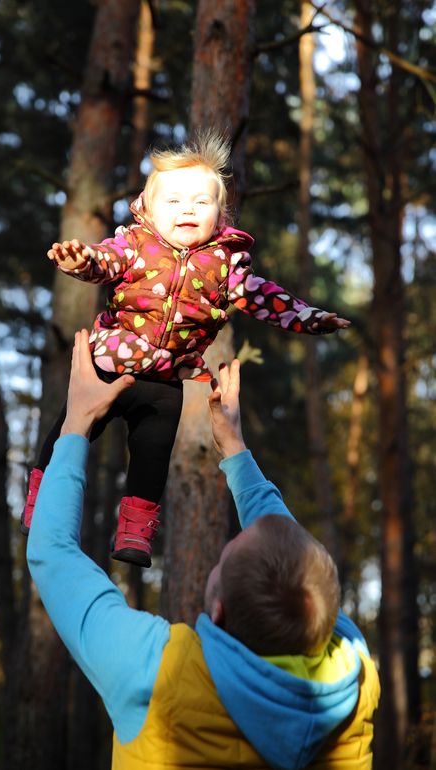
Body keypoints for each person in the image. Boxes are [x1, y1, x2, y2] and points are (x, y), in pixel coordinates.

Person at [27, 329, 380, 770]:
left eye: (224, 560)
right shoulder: (354, 671)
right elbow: (291, 556)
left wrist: (77, 421)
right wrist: (234, 447)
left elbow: (52, 553)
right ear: (328, 616)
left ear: (219, 612)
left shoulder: (156, 676)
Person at [22, 131, 350, 570]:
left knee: (152, 458)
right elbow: (105, 261)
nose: (188, 209)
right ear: (149, 208)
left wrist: (309, 318)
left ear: (220, 215)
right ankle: (40, 501)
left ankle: (135, 533)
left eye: (201, 202)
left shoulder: (225, 264)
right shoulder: (136, 244)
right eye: (174, 201)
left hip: (164, 381)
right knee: (69, 431)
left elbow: (263, 297)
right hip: (108, 366)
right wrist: (81, 261)